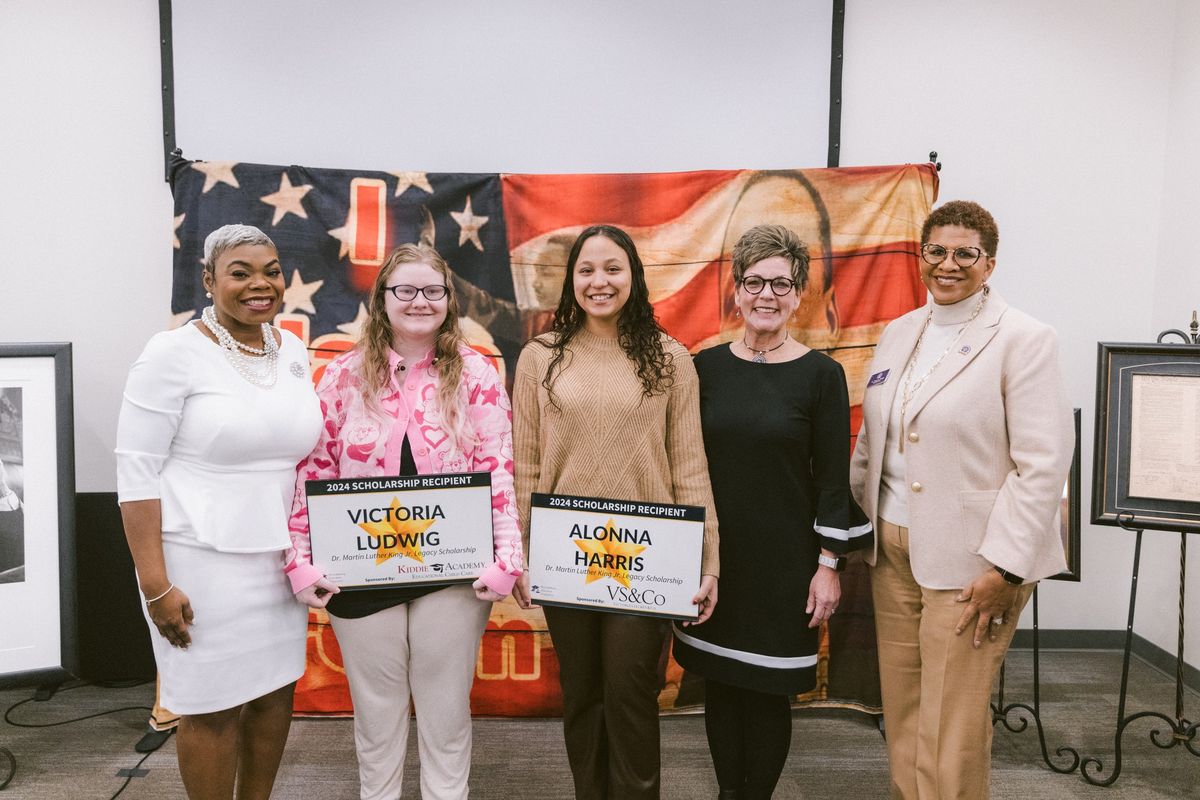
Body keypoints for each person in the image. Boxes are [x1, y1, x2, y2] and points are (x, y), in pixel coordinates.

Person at [849, 201, 1073, 799]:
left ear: (989, 263)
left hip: (974, 561)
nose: (948, 265)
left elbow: (1043, 466)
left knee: (952, 722)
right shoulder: (900, 332)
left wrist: (1007, 566)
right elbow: (875, 440)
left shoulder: (1024, 339)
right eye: (937, 251)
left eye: (965, 254)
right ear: (921, 256)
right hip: (891, 548)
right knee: (904, 708)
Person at [285, 242, 522, 800]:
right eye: (406, 290)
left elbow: (498, 468)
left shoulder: (477, 373)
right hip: (358, 569)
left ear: (449, 300)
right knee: (377, 711)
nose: (420, 301)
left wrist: (508, 558)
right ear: (383, 298)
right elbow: (311, 471)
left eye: (433, 290)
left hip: (453, 570)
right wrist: (298, 559)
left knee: (445, 711)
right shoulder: (341, 375)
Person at [512, 224, 720, 800]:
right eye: (586, 270)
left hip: (647, 559)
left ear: (633, 277)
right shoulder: (539, 358)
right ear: (571, 280)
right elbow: (525, 465)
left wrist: (709, 562)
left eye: (612, 268)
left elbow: (690, 467)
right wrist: (521, 554)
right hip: (563, 555)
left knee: (630, 694)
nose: (599, 281)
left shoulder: (671, 358)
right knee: (581, 694)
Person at [115, 223, 323, 799]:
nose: (261, 284)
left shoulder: (294, 349)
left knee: (274, 693)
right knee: (209, 708)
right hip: (198, 560)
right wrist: (155, 585)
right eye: (240, 272)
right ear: (208, 280)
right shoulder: (171, 353)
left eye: (271, 270)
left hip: (277, 560)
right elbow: (135, 473)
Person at [671, 224, 872, 800]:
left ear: (799, 293)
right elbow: (681, 463)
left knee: (766, 691)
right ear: (735, 289)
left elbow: (833, 480)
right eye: (754, 280)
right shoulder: (703, 368)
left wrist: (828, 564)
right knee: (723, 683)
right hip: (716, 561)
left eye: (780, 283)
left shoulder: (822, 376)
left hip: (786, 567)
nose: (766, 294)